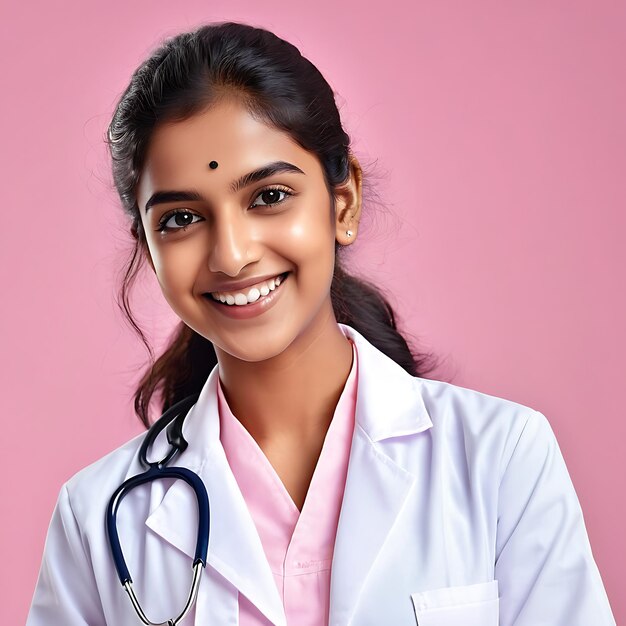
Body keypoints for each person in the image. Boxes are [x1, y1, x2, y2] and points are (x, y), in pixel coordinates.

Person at [27, 21, 615, 626]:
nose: (231, 254)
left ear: (344, 204)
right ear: (148, 248)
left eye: (269, 196)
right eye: (181, 218)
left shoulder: (502, 460)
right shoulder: (95, 517)